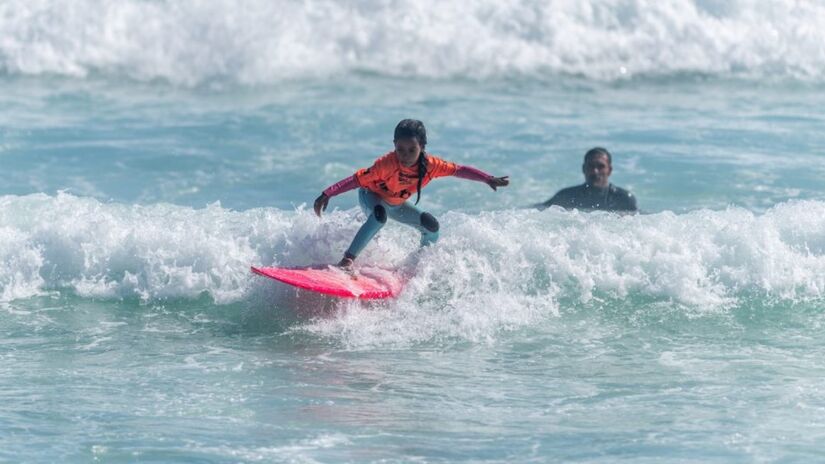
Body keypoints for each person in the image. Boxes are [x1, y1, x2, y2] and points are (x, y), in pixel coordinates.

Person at [314, 119, 510, 269]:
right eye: (400, 149)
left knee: (432, 227)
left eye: (411, 150)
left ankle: (416, 266)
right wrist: (327, 194)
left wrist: (487, 178)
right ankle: (347, 261)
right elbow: (356, 180)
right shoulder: (386, 164)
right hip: (371, 197)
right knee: (379, 217)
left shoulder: (432, 166)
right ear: (394, 145)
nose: (405, 155)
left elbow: (459, 170)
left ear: (422, 147)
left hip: (396, 205)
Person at [537, 147, 637, 212]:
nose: (595, 171)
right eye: (591, 166)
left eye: (600, 166)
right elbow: (539, 210)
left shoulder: (623, 199)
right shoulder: (566, 196)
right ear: (583, 169)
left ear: (609, 170)